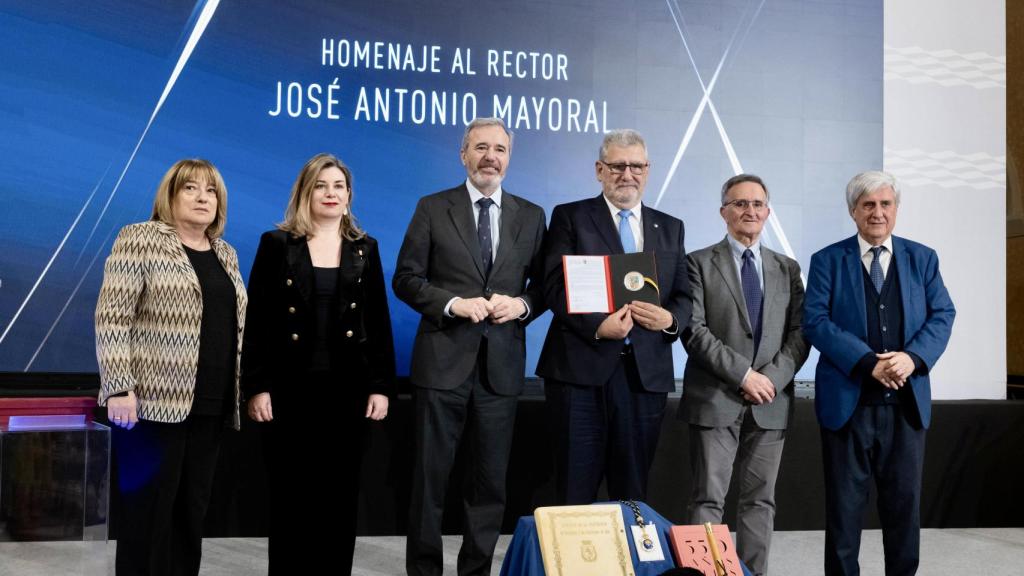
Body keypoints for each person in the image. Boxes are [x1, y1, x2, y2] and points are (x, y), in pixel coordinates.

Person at [393, 117, 546, 576]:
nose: (490, 157)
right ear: (463, 155)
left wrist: (520, 306)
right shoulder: (432, 207)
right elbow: (406, 279)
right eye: (480, 147)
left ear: (509, 157)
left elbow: (543, 288)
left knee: (489, 484)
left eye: (499, 149)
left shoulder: (532, 215)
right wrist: (454, 303)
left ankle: (476, 571)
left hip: (501, 369)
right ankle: (424, 571)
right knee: (429, 482)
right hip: (441, 365)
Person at [241, 153, 395, 575]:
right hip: (289, 391)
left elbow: (377, 322)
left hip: (347, 392)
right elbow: (256, 322)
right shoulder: (276, 245)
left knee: (340, 497)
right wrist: (256, 385)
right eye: (321, 186)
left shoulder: (366, 249)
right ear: (305, 194)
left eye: (338, 186)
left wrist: (381, 386)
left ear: (348, 197)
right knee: (291, 497)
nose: (331, 193)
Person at [95, 159, 247, 576]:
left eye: (211, 191)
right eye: (190, 189)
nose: (202, 198)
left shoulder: (225, 252)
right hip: (151, 406)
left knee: (189, 517)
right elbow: (112, 317)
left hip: (211, 405)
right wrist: (119, 387)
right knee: (147, 517)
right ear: (170, 195)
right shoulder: (140, 238)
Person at [803, 171, 955, 576]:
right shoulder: (827, 260)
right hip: (846, 408)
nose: (877, 213)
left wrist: (913, 358)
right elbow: (815, 321)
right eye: (868, 205)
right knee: (843, 516)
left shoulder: (922, 258)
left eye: (885, 204)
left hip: (906, 408)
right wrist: (870, 362)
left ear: (896, 209)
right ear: (853, 211)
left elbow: (943, 314)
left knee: (904, 512)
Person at [537, 128, 692, 505]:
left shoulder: (670, 226)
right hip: (580, 374)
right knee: (575, 491)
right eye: (618, 165)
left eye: (636, 166)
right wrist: (597, 327)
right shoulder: (570, 217)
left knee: (633, 494)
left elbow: (685, 296)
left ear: (648, 170)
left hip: (644, 377)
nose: (628, 174)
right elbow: (553, 286)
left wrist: (669, 321)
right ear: (599, 170)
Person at [678, 174, 809, 576]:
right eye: (739, 204)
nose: (749, 211)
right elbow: (693, 331)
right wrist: (744, 376)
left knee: (760, 501)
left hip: (771, 401)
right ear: (723, 212)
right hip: (716, 398)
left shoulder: (787, 268)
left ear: (767, 212)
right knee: (707, 501)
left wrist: (769, 378)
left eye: (757, 204)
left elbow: (801, 333)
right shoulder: (697, 262)